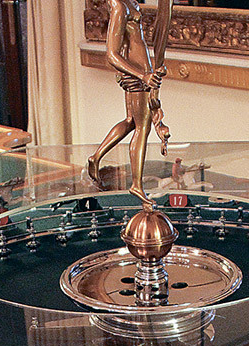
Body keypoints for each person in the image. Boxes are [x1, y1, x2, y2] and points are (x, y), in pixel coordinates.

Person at [86, 0, 167, 209]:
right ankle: (136, 185)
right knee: (142, 128)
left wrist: (151, 70)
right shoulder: (119, 7)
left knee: (131, 121)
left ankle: (96, 157)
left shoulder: (130, 3)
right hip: (136, 74)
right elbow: (112, 55)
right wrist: (143, 75)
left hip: (143, 71)